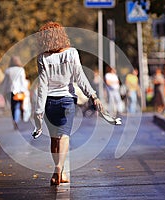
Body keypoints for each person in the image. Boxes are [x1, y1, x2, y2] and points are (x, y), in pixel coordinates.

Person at [34, 21, 103, 186]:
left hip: (49, 101)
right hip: (67, 99)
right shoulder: (72, 53)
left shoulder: (42, 58)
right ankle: (60, 167)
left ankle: (57, 171)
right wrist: (93, 95)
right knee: (64, 136)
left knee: (54, 138)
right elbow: (80, 77)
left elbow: (42, 85)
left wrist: (38, 110)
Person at [1, 56, 27, 129]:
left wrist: (3, 92)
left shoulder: (8, 71)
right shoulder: (21, 70)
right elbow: (23, 82)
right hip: (19, 91)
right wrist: (24, 91)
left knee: (13, 107)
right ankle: (16, 120)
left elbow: (5, 83)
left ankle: (14, 119)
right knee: (17, 106)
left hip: (9, 91)